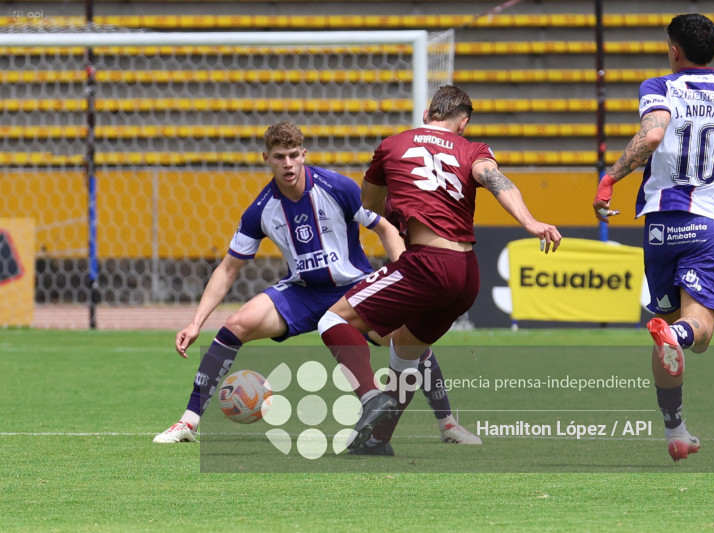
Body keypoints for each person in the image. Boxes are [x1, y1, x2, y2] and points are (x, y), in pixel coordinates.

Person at [154, 122, 482, 446]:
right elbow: (227, 269)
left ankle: (448, 424)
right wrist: (196, 322)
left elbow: (385, 228)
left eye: (294, 155)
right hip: (302, 292)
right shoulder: (260, 209)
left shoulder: (337, 187)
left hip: (352, 286)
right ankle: (188, 422)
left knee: (408, 338)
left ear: (304, 155)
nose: (287, 164)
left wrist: (403, 275)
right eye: (280, 157)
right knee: (237, 323)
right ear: (265, 158)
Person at [318, 85, 562, 455]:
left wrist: (399, 205)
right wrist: (529, 221)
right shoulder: (473, 150)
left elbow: (369, 202)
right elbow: (496, 180)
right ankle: (379, 439)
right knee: (405, 354)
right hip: (466, 275)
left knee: (332, 322)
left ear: (426, 114)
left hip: (428, 264)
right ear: (462, 124)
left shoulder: (393, 144)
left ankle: (369, 398)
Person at [592, 14, 714, 462]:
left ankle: (677, 431)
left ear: (674, 50)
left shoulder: (658, 86)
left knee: (671, 330)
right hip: (709, 223)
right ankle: (679, 337)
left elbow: (652, 134)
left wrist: (610, 177)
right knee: (699, 331)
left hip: (659, 224)